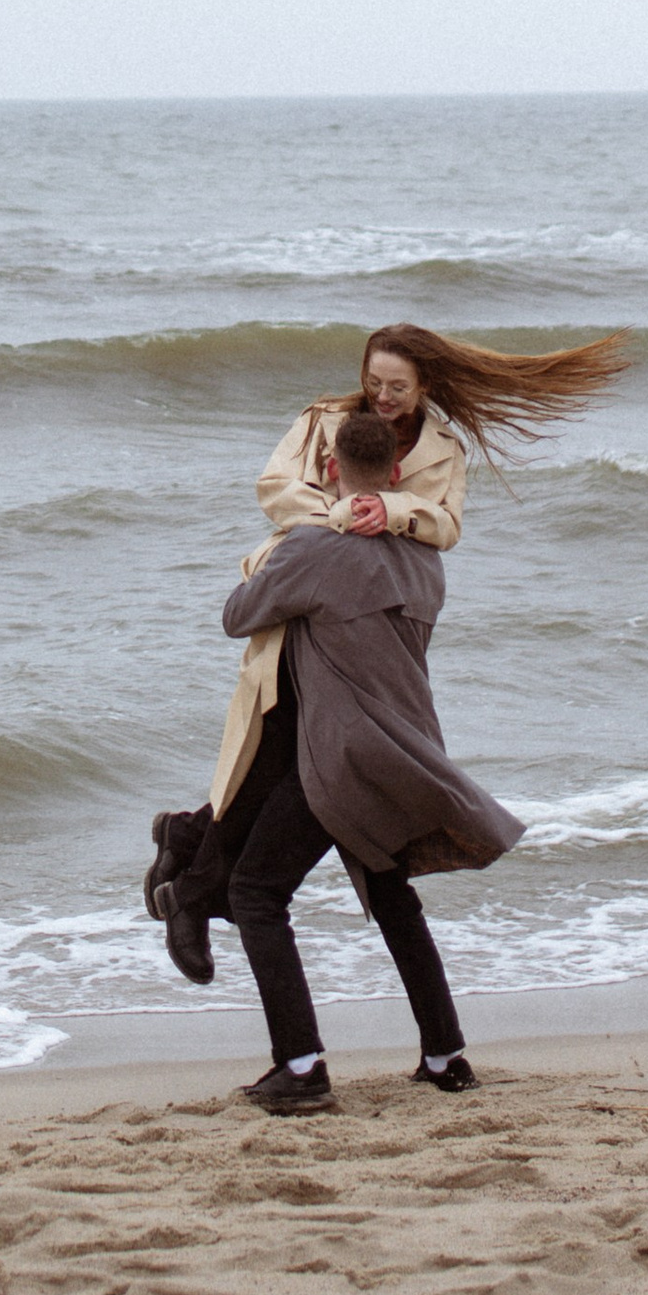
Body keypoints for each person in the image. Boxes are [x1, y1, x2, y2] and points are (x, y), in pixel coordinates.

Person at [143, 318, 626, 989]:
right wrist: (337, 516)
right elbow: (275, 489)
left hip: (366, 631)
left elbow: (444, 524)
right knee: (266, 758)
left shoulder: (442, 451)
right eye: (373, 382)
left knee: (289, 780)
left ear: (424, 383)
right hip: (301, 607)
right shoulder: (323, 420)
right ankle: (195, 889)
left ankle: (191, 858)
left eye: (396, 386)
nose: (382, 396)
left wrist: (392, 510)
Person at [212, 403, 523, 1112]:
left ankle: (300, 1068)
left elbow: (237, 615)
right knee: (391, 896)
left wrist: (285, 546)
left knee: (256, 895)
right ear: (393, 475)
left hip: (342, 760)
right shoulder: (424, 561)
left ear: (327, 472)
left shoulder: (314, 550)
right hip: (408, 753)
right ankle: (446, 1056)